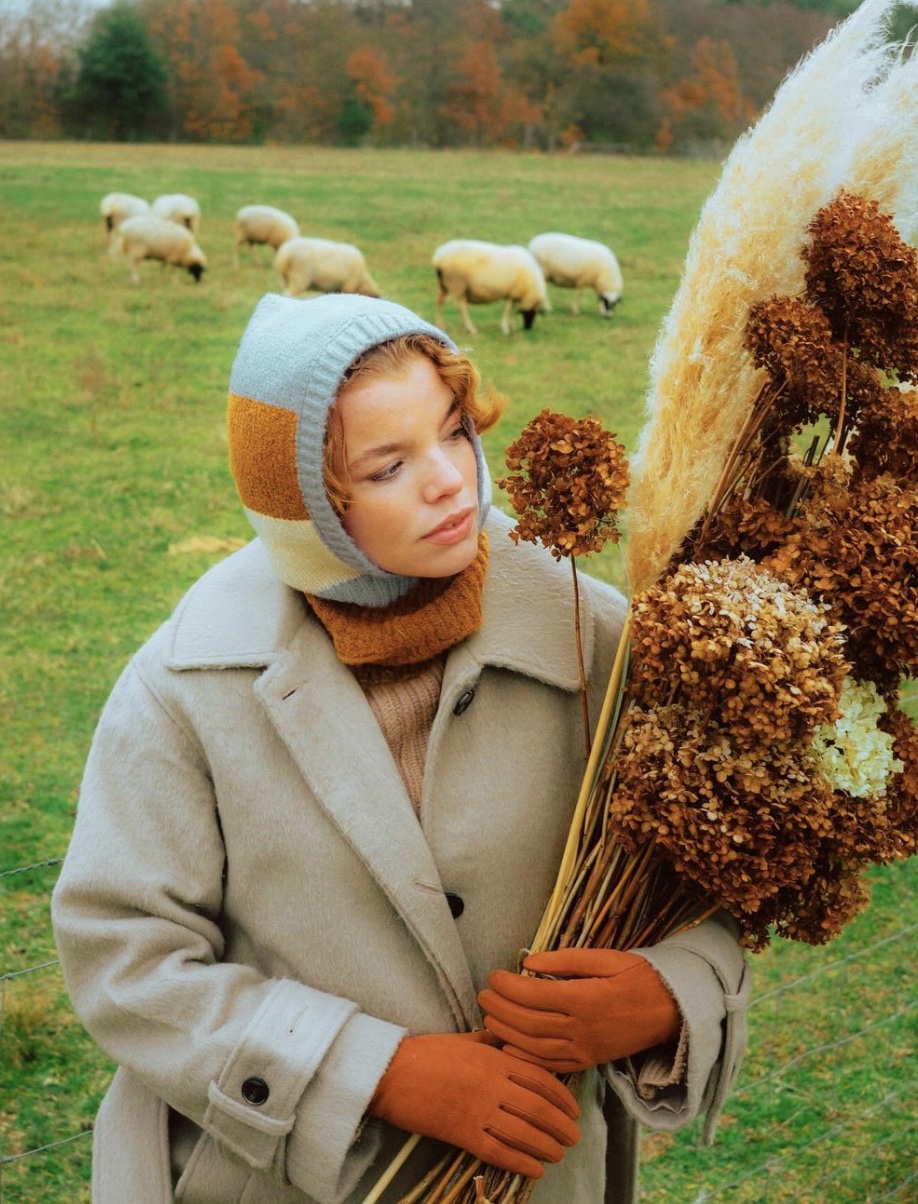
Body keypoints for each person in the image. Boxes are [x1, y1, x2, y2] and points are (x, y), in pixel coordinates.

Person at [52, 292, 749, 1204]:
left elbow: (701, 871)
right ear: (304, 505)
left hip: (538, 1176)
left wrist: (666, 992)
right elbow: (126, 959)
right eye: (387, 466)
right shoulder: (186, 686)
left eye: (454, 431)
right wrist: (373, 1075)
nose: (451, 479)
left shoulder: (595, 638)